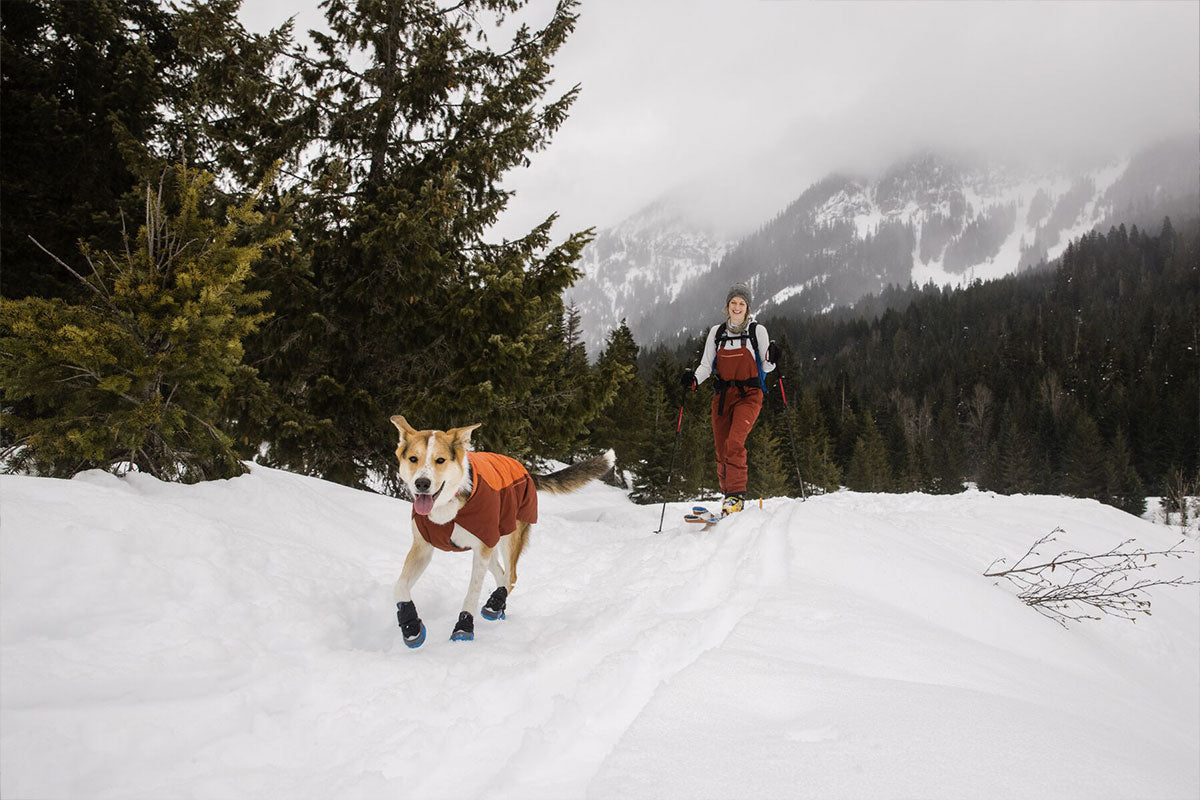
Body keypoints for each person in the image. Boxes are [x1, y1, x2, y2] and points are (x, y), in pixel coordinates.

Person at [682, 282, 779, 515]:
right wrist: (694, 380)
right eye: (733, 303)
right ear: (727, 306)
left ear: (748, 307)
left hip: (750, 395)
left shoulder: (758, 331)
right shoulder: (717, 333)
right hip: (723, 395)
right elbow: (706, 365)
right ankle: (728, 496)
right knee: (721, 448)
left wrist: (774, 357)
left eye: (741, 303)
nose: (737, 307)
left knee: (734, 443)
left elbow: (767, 366)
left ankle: (736, 496)